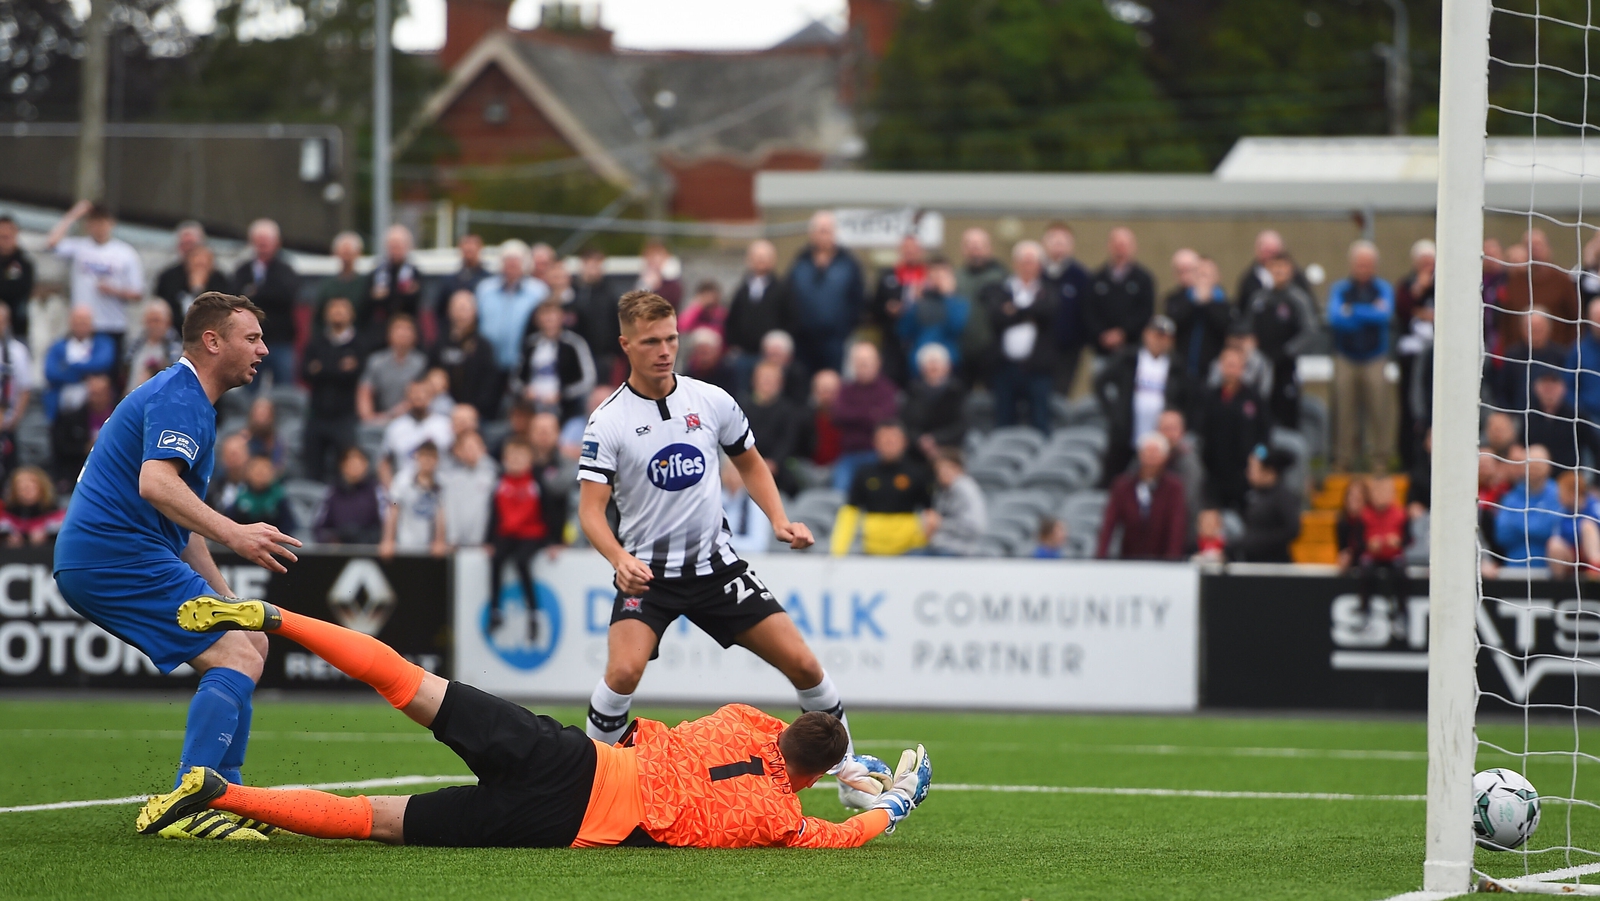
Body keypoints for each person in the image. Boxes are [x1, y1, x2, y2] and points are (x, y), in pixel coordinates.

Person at [140, 595, 930, 849]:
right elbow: (847, 831)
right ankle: (215, 793)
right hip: (560, 818)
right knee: (376, 821)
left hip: (570, 758)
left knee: (410, 680)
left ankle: (276, 616)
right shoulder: (782, 819)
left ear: (784, 729)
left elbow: (787, 733)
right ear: (812, 775)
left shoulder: (740, 718)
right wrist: (890, 802)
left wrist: (845, 765)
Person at [577, 290, 869, 810]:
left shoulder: (711, 400)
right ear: (625, 344)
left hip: (718, 569)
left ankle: (850, 774)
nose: (665, 350)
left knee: (804, 664)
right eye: (651, 342)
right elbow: (590, 511)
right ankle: (582, 783)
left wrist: (779, 520)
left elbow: (752, 463)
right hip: (649, 574)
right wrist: (619, 559)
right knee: (622, 673)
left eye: (671, 338)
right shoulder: (608, 421)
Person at [52, 292, 301, 840]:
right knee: (236, 652)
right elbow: (155, 484)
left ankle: (225, 795)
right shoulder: (180, 394)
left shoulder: (186, 397)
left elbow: (179, 523)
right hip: (114, 555)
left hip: (120, 553)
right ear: (213, 341)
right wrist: (236, 531)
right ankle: (194, 799)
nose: (263, 349)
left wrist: (228, 598)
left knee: (248, 640)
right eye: (252, 338)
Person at [1094, 315, 1193, 484]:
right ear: (1146, 334)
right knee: (1113, 478)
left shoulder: (1176, 367)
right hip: (1126, 432)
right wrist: (1113, 412)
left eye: (1165, 337)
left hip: (1159, 437)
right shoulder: (1129, 358)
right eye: (1156, 335)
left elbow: (1187, 398)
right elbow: (1100, 382)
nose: (1160, 341)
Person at [485, 435, 566, 638]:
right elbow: (493, 513)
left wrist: (554, 541)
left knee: (522, 562)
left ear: (529, 460)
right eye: (511, 458)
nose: (516, 462)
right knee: (496, 560)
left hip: (532, 534)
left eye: (520, 458)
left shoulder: (536, 482)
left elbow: (550, 511)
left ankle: (534, 612)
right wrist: (488, 540)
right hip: (506, 534)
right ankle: (495, 610)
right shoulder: (501, 483)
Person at [46, 201, 144, 362]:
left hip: (113, 325)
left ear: (111, 223)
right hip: (84, 326)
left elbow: (138, 293)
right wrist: (74, 214)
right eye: (95, 223)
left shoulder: (126, 253)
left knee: (107, 379)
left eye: (103, 222)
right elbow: (51, 243)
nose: (99, 228)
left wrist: (114, 291)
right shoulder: (80, 247)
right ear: (88, 225)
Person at [1328, 240, 1396, 471]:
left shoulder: (1383, 289)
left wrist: (1353, 311)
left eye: (1368, 264)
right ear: (1351, 264)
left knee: (1379, 410)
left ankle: (1380, 460)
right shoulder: (1340, 289)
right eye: (1359, 263)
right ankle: (1343, 460)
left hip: (1375, 358)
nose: (1363, 268)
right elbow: (1336, 319)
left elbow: (1384, 316)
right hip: (1345, 357)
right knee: (1343, 411)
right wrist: (1367, 313)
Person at [982, 240, 1058, 433]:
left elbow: (1047, 312)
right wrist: (1029, 315)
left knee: (1040, 419)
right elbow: (996, 317)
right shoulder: (1000, 289)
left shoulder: (1047, 291)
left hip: (1037, 368)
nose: (1027, 266)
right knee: (1003, 420)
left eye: (1031, 262)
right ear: (1015, 264)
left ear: (1040, 266)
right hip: (1005, 367)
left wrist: (1014, 311)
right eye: (1023, 261)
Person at [831, 421, 932, 557]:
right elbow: (850, 512)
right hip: (872, 548)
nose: (889, 443)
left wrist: (923, 541)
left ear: (904, 442)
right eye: (884, 439)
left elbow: (931, 514)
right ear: (875, 442)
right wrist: (838, 551)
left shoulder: (917, 473)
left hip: (909, 549)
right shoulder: (865, 473)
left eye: (893, 439)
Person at [1243, 252, 1317, 429]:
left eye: (1283, 267)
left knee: (1286, 413)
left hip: (1286, 367)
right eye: (1274, 267)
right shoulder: (1259, 298)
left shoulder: (1298, 299)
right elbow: (1247, 329)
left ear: (1291, 270)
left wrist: (1287, 351)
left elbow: (1310, 331)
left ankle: (1288, 453)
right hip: (1260, 367)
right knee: (1260, 412)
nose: (1279, 271)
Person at [787, 211, 864, 374]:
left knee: (833, 384)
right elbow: (789, 297)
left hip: (835, 340)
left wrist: (846, 328)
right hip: (803, 341)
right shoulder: (800, 263)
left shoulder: (849, 264)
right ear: (812, 234)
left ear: (835, 233)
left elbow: (858, 299)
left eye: (827, 231)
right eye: (819, 231)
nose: (823, 236)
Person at [1197, 346, 1270, 512]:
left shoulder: (1254, 398)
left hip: (1244, 474)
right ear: (1221, 366)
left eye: (1235, 364)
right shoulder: (1209, 397)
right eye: (1227, 364)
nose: (1231, 369)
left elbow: (1265, 435)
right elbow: (1201, 431)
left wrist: (1258, 458)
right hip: (1214, 474)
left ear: (1242, 368)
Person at [300, 297, 365, 481]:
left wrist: (322, 369)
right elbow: (305, 373)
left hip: (345, 416)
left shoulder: (359, 344)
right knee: (311, 470)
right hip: (317, 415)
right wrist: (339, 368)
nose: (337, 313)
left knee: (345, 471)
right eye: (333, 309)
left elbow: (356, 374)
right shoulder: (316, 342)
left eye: (342, 309)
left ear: (352, 315)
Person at [232, 219, 301, 391]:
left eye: (266, 240)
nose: (262, 245)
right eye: (258, 240)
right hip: (249, 342)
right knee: (247, 388)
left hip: (280, 340)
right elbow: (234, 298)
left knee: (284, 389)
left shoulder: (286, 270)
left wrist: (256, 293)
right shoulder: (243, 271)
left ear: (276, 243)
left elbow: (287, 295)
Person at [1095, 432, 1187, 561]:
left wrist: (1172, 561)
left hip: (1161, 559)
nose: (1151, 459)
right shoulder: (1122, 486)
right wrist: (1100, 557)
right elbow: (1109, 523)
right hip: (1129, 558)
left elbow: (1176, 527)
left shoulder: (1174, 488)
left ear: (1165, 457)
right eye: (1147, 452)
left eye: (1155, 453)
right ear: (1140, 455)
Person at [830, 341, 900, 493]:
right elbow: (838, 415)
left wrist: (854, 415)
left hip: (877, 455)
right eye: (859, 363)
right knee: (838, 494)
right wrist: (869, 413)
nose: (863, 368)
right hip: (849, 454)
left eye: (866, 363)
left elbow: (884, 419)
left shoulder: (887, 390)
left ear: (878, 363)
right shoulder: (845, 390)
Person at [516, 299, 597, 423]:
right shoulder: (530, 344)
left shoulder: (574, 343)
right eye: (544, 315)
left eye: (553, 315)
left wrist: (563, 395)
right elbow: (516, 378)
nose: (549, 319)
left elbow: (588, 379)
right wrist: (525, 391)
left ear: (562, 317)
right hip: (534, 406)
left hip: (566, 408)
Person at [725, 240, 793, 386]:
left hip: (770, 357)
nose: (761, 261)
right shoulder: (742, 290)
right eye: (757, 257)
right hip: (744, 354)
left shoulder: (782, 290)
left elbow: (790, 320)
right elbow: (733, 318)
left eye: (765, 257)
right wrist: (733, 343)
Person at [1501, 228, 1582, 348]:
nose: (1535, 250)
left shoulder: (1562, 280)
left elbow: (1575, 318)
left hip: (1557, 356)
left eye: (1539, 245)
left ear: (1548, 248)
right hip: (1519, 356)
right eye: (1530, 246)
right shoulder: (1514, 281)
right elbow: (1505, 322)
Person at [476, 240, 548, 373]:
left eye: (516, 261)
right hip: (487, 364)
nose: (511, 265)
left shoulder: (538, 291)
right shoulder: (485, 289)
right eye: (508, 261)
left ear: (525, 264)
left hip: (523, 364)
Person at [1085, 227, 1155, 358]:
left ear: (1133, 247)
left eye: (1124, 245)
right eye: (1117, 245)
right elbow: (1089, 311)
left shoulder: (1144, 279)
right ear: (1109, 246)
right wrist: (1102, 334)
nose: (1120, 249)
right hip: (1102, 351)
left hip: (1133, 350)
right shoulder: (1096, 279)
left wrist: (1123, 333)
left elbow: (1145, 312)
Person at [896, 256, 969, 378]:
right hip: (919, 365)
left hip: (948, 364)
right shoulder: (919, 302)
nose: (938, 279)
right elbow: (903, 331)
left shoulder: (959, 303)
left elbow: (955, 328)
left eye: (943, 275)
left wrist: (949, 296)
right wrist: (912, 303)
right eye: (934, 275)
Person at [1226, 446, 1302, 563]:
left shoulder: (1283, 497)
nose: (1248, 473)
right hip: (1255, 562)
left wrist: (1256, 541)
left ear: (1269, 472)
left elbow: (1293, 529)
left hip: (1275, 565)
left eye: (1252, 468)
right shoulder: (1256, 496)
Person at [1494, 444, 1565, 567]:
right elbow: (1502, 535)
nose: (1534, 469)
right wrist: (1539, 524)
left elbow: (1559, 531)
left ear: (1549, 467)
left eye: (1538, 465)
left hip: (1551, 571)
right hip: (1515, 568)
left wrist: (1520, 524)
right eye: (1531, 465)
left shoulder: (1559, 495)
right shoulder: (1510, 498)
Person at [869, 235, 927, 386]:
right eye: (906, 249)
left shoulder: (928, 277)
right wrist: (887, 309)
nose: (910, 252)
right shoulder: (888, 276)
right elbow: (874, 308)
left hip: (920, 339)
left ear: (921, 252)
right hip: (892, 340)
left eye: (913, 249)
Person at [1165, 249, 1230, 383]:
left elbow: (1224, 327)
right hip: (1182, 367)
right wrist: (1195, 302)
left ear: (1216, 277)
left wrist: (1207, 303)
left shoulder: (1224, 303)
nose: (1203, 279)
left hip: (1212, 372)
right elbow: (1173, 323)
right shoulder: (1178, 299)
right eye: (1199, 274)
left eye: (1207, 275)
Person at [1040, 222, 1090, 395]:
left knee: (1061, 392)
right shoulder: (1036, 273)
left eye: (1063, 243)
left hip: (1069, 349)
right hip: (1038, 350)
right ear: (1044, 245)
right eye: (1054, 242)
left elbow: (1087, 313)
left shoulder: (1080, 276)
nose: (1058, 247)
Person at [44, 307, 116, 423]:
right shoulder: (58, 346)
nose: (81, 325)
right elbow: (51, 373)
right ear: (70, 323)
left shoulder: (103, 343)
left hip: (91, 410)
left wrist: (69, 366)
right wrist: (85, 374)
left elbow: (102, 364)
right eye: (77, 322)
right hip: (61, 410)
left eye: (84, 322)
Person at [740, 361, 803, 493]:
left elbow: (788, 441)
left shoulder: (788, 411)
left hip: (776, 467)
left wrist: (774, 462)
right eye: (763, 378)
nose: (767, 383)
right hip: (744, 463)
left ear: (780, 383)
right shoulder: (741, 407)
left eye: (771, 379)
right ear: (754, 380)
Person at [358, 315, 428, 426]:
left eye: (407, 329)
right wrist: (368, 416)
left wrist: (395, 414)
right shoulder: (376, 361)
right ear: (388, 334)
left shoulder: (421, 363)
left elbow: (422, 394)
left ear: (415, 336)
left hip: (412, 418)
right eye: (398, 328)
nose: (403, 333)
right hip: (381, 416)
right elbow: (365, 391)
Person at [380, 439, 446, 557]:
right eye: (425, 457)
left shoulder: (441, 484)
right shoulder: (402, 481)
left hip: (430, 547)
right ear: (417, 457)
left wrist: (439, 540)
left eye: (432, 457)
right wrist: (388, 540)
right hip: (405, 544)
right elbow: (394, 507)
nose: (428, 461)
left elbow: (441, 513)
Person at [901, 342, 968, 454]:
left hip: (950, 449)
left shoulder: (957, 391)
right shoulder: (912, 392)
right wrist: (919, 440)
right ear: (921, 368)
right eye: (929, 363)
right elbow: (905, 423)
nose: (933, 366)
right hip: (916, 451)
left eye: (937, 363)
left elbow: (962, 425)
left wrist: (936, 439)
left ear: (948, 366)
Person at [1526, 370, 1600, 472]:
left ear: (1563, 388)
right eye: (1545, 387)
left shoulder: (1576, 417)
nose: (1549, 392)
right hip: (1536, 481)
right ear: (1536, 388)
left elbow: (1596, 447)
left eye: (1553, 387)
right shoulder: (1529, 416)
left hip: (1569, 481)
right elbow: (1521, 446)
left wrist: (1596, 483)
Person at [51, 372, 114, 488]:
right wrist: (84, 448)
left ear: (109, 393)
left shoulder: (120, 417)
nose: (96, 398)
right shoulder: (70, 419)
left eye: (100, 393)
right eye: (93, 394)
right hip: (78, 474)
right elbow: (61, 448)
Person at [919, 447, 986, 557]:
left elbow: (975, 527)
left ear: (959, 468)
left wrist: (940, 524)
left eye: (948, 468)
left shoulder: (965, 489)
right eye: (940, 469)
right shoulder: (942, 491)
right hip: (940, 547)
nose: (943, 472)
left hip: (961, 551)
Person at [571, 248, 625, 382]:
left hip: (603, 356)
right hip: (577, 355)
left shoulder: (610, 294)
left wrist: (614, 353)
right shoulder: (574, 292)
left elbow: (615, 324)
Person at [363, 224, 423, 343]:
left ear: (407, 247)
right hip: (381, 329)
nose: (395, 250)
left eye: (399, 246)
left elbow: (417, 301)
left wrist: (386, 295)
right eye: (392, 246)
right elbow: (368, 301)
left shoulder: (414, 273)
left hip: (407, 328)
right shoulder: (377, 273)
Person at [1356, 474, 1409, 608]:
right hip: (1372, 556)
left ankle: (1401, 609)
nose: (1380, 495)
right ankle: (1364, 608)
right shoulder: (1364, 515)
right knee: (1365, 568)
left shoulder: (1400, 514)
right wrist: (1368, 545)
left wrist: (1399, 542)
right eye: (1377, 491)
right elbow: (1358, 541)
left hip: (1393, 556)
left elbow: (1408, 540)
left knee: (1401, 571)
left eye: (1384, 491)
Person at [314, 447, 384, 545]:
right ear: (342, 466)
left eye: (358, 463)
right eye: (350, 464)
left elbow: (385, 524)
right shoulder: (332, 492)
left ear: (366, 465)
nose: (354, 468)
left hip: (370, 550)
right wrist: (331, 539)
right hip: (337, 552)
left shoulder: (377, 490)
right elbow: (319, 527)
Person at [384, 377, 455, 473]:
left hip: (441, 483)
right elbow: (384, 462)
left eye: (424, 392)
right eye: (414, 392)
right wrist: (391, 487)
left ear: (432, 396)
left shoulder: (446, 424)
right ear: (407, 397)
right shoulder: (395, 427)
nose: (419, 396)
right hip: (406, 484)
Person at [1234, 230, 1313, 314]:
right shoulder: (1249, 282)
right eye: (1267, 252)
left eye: (1274, 253)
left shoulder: (1298, 284)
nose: (1271, 258)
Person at [1547, 470, 1600, 581]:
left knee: (1587, 526)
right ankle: (1559, 586)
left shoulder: (1594, 506)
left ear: (1572, 492)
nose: (1559, 496)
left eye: (1562, 492)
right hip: (1573, 555)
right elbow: (1560, 536)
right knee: (1554, 544)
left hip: (1594, 551)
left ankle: (1596, 567)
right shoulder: (1562, 513)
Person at [0, 303, 31, 481]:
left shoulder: (17, 351)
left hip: (7, 423)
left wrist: (14, 419)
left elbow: (25, 389)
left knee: (9, 473)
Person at [720, 452, 772, 557]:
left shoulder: (756, 505)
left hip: (746, 561)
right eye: (728, 470)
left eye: (736, 471)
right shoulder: (713, 502)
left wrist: (724, 543)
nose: (732, 476)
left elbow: (759, 545)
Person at [125, 302, 184, 393]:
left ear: (168, 322)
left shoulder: (174, 347)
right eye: (149, 321)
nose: (153, 325)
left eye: (157, 321)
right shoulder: (136, 345)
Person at [226, 456, 295, 533]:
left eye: (265, 470)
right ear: (248, 473)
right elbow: (229, 520)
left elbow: (289, 525)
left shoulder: (279, 497)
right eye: (257, 471)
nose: (261, 474)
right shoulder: (241, 495)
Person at [1, 466, 63, 547]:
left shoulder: (58, 518)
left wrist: (48, 538)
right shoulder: (4, 518)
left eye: (32, 485)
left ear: (42, 488)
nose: (26, 489)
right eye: (20, 486)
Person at [315, 231, 367, 322]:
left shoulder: (366, 284)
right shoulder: (327, 286)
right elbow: (318, 317)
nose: (346, 258)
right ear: (336, 253)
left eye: (349, 253)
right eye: (344, 253)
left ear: (358, 254)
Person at [0, 214, 35, 341]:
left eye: (8, 236)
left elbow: (22, 290)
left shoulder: (24, 263)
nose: (5, 239)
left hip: (16, 326)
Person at [802, 369, 843, 468]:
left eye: (832, 392)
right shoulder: (803, 418)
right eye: (824, 391)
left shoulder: (847, 419)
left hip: (839, 466)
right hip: (808, 466)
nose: (828, 396)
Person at [1568, 298, 1600, 422]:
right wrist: (1581, 412)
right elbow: (1568, 386)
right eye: (1596, 318)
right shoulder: (1578, 351)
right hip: (1588, 418)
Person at [239, 397, 286, 473]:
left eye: (264, 415)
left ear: (272, 417)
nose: (261, 419)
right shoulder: (242, 440)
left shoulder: (277, 443)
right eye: (258, 415)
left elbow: (279, 468)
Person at [207, 434, 251, 514]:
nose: (232, 459)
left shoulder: (259, 488)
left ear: (247, 455)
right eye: (228, 454)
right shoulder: (212, 489)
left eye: (235, 454)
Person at [632, 239, 682, 308]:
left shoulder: (672, 282)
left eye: (657, 256)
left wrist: (657, 286)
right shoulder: (642, 280)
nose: (654, 261)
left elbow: (670, 302)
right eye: (650, 257)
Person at [441, 233, 488, 301]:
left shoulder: (489, 281)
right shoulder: (449, 282)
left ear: (480, 248)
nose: (469, 247)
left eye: (472, 246)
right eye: (466, 245)